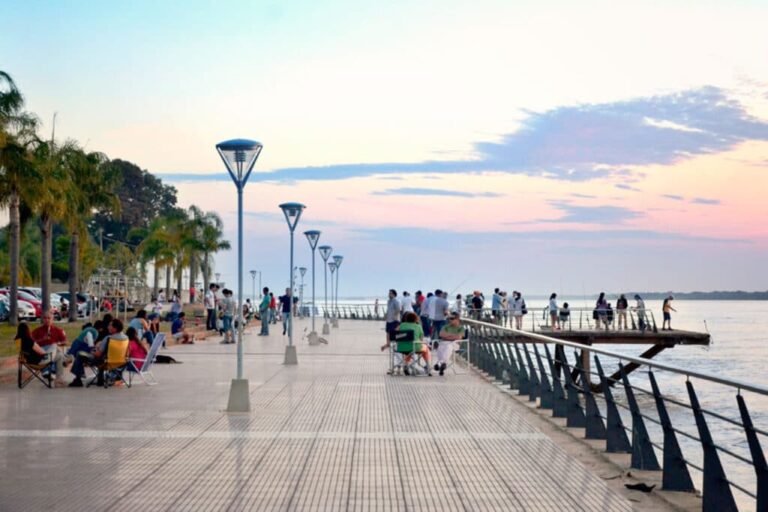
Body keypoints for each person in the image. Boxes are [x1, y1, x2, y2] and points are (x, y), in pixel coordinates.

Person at [17, 322, 67, 387]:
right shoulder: (29, 341)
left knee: (59, 356)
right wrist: (48, 350)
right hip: (39, 362)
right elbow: (42, 352)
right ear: (27, 330)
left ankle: (59, 380)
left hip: (28, 361)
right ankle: (65, 361)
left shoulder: (18, 340)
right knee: (54, 344)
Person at [31, 311, 69, 379]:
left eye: (49, 318)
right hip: (41, 352)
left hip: (52, 354)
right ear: (43, 319)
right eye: (45, 318)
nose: (47, 320)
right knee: (56, 348)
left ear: (52, 319)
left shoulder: (58, 330)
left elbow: (65, 342)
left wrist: (58, 343)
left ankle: (58, 379)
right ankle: (64, 360)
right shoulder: (37, 331)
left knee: (56, 349)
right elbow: (31, 343)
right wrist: (43, 340)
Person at [395, 311, 431, 376]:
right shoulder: (418, 326)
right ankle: (428, 365)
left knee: (409, 351)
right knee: (425, 348)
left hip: (402, 347)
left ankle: (406, 365)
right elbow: (421, 339)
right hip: (415, 347)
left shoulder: (402, 325)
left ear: (406, 319)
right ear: (415, 319)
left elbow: (395, 334)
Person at [67, 322, 99, 387]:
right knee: (80, 356)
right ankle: (79, 376)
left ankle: (78, 377)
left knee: (79, 357)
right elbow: (90, 343)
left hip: (78, 346)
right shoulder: (93, 332)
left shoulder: (89, 330)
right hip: (82, 347)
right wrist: (93, 348)